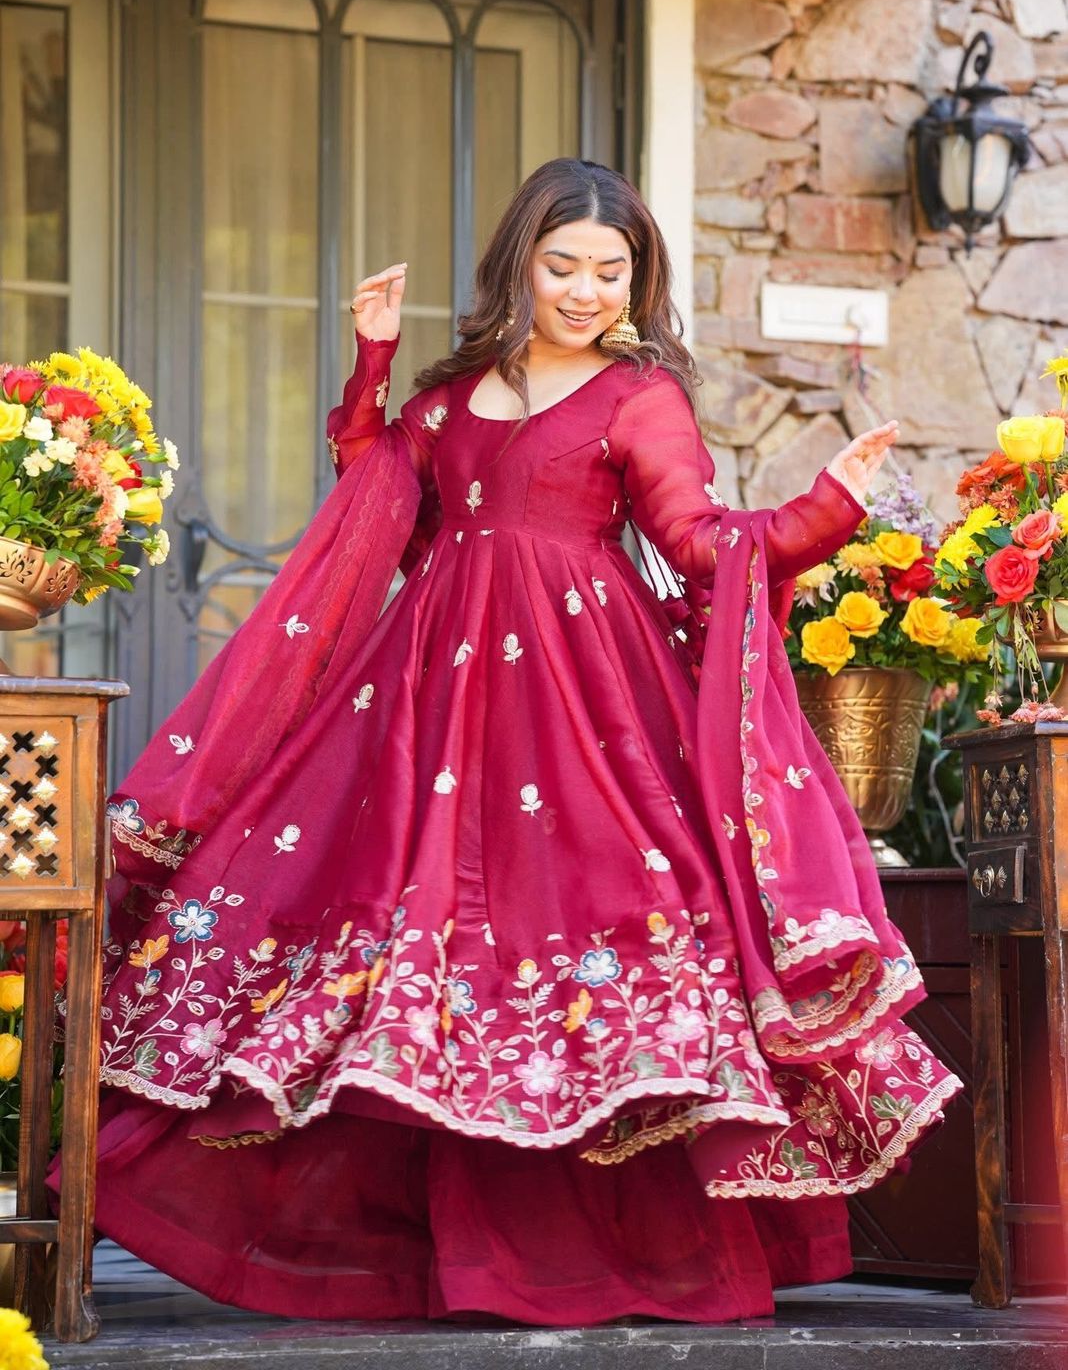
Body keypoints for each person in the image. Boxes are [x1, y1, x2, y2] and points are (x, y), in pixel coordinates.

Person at [59, 159, 960, 1326]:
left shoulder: (643, 398)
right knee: (403, 934)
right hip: (426, 704)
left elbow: (696, 542)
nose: (586, 290)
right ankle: (428, 1255)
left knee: (584, 922)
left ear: (639, 279)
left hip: (587, 709)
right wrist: (374, 362)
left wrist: (824, 507)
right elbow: (379, 502)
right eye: (564, 265)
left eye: (612, 269)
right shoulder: (447, 398)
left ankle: (593, 1254)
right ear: (519, 266)